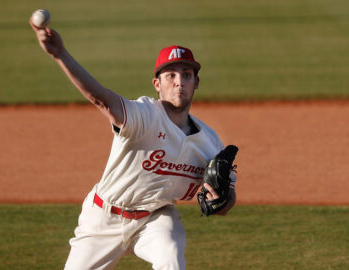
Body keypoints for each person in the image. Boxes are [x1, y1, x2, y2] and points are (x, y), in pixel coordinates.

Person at [29, 20, 237, 270]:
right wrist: (61, 54)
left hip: (155, 218)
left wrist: (223, 201)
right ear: (157, 84)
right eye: (171, 75)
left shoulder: (210, 142)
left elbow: (227, 200)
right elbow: (102, 99)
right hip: (103, 218)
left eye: (187, 75)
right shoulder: (144, 115)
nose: (179, 81)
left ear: (196, 82)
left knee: (170, 257)